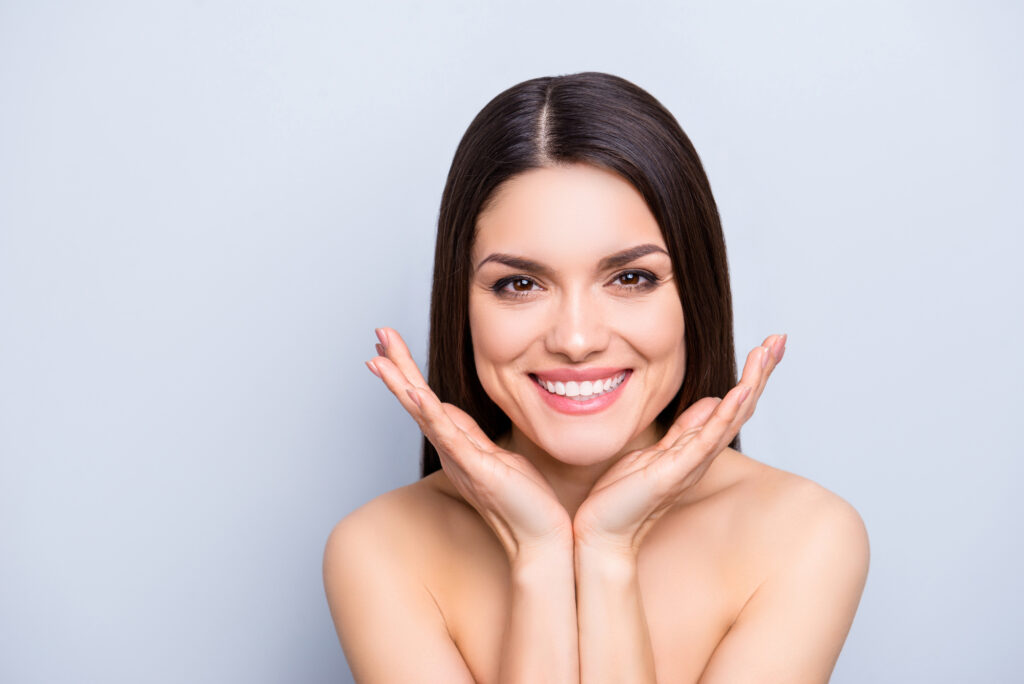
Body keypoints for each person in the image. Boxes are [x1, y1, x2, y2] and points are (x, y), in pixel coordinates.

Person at [323, 71, 869, 683]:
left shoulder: (803, 535)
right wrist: (540, 554)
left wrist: (608, 553)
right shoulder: (381, 549)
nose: (576, 340)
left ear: (696, 294)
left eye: (630, 278)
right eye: (520, 284)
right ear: (462, 305)